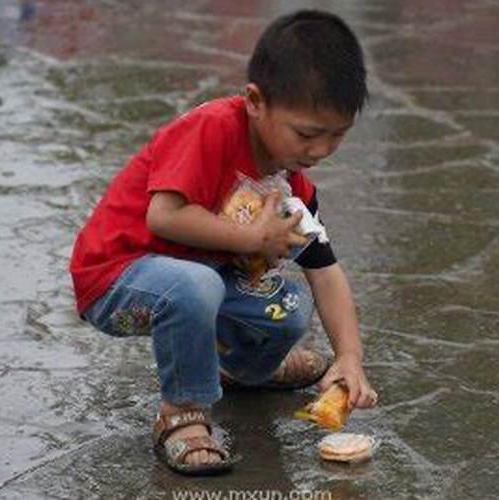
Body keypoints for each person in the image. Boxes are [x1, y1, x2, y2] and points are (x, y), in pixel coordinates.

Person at [69, 9, 379, 475]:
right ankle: (183, 415)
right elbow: (165, 216)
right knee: (197, 285)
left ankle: (239, 368)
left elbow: (325, 270)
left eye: (337, 136)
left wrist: (350, 358)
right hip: (117, 279)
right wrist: (253, 236)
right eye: (308, 134)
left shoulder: (292, 183)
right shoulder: (212, 130)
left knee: (290, 305)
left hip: (196, 284)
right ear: (255, 101)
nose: (319, 151)